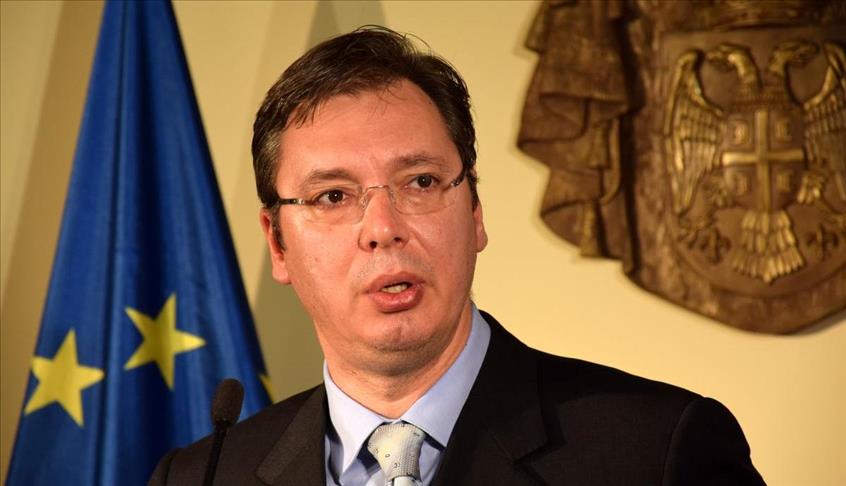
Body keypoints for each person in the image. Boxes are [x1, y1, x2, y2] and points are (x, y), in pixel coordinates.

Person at [149, 27, 765, 485]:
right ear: (277, 243)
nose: (382, 229)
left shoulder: (656, 451)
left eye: (420, 182)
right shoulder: (203, 477)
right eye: (332, 196)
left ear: (475, 213)